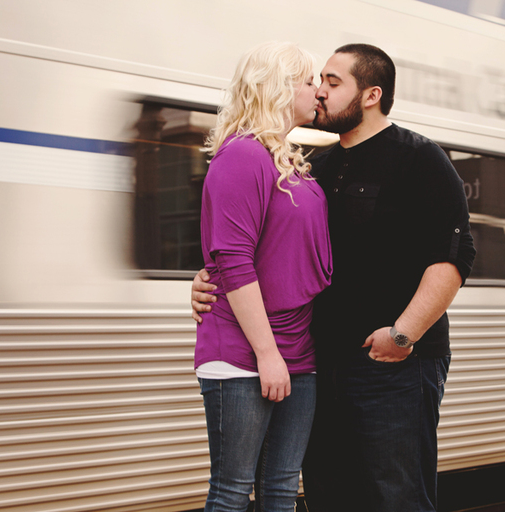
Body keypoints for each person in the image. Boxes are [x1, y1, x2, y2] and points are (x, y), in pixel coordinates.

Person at [192, 43, 475, 512]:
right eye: (316, 80)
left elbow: (453, 255)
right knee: (325, 492)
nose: (320, 91)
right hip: (320, 362)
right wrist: (207, 277)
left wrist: (403, 334)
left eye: (332, 82)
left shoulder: (420, 158)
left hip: (392, 366)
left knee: (396, 495)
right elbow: (258, 244)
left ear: (370, 95)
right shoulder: (312, 166)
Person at [193, 41, 331, 512]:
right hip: (242, 351)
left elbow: (272, 248)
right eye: (311, 81)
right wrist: (267, 355)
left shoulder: (289, 159)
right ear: (280, 85)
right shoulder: (242, 155)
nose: (320, 92)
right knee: (232, 492)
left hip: (297, 347)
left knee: (281, 489)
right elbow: (232, 257)